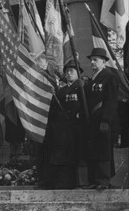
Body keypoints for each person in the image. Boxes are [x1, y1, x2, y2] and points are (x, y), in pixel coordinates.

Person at [43, 61, 87, 189]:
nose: (68, 73)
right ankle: (63, 182)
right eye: (67, 71)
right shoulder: (62, 91)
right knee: (63, 156)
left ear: (79, 73)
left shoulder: (83, 88)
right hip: (63, 129)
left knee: (77, 154)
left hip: (78, 127)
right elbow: (55, 110)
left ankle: (78, 182)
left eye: (71, 71)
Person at [84, 48, 119, 190]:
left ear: (104, 61)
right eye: (91, 60)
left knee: (104, 150)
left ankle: (104, 180)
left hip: (103, 120)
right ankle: (95, 179)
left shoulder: (109, 76)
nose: (92, 62)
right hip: (93, 121)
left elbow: (111, 100)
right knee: (94, 149)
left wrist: (106, 120)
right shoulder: (93, 78)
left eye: (95, 60)